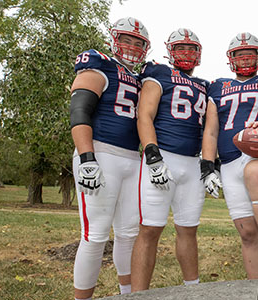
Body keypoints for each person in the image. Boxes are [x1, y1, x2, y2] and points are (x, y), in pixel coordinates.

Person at [201, 32, 258, 300]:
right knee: (248, 232)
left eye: (250, 54)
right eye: (240, 55)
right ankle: (257, 289)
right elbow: (211, 130)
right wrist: (208, 165)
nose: (245, 59)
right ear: (230, 60)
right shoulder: (217, 87)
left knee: (257, 171)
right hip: (229, 161)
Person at [69, 17, 150, 300]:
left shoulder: (140, 78)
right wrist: (87, 157)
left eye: (137, 42)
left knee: (128, 234)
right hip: (101, 153)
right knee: (95, 235)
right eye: (126, 39)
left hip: (132, 159)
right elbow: (79, 111)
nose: (131, 46)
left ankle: (127, 295)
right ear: (114, 39)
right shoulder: (99, 64)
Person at [131, 28, 209, 291]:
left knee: (188, 229)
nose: (186, 54)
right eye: (180, 49)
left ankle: (193, 289)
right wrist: (152, 154)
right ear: (170, 52)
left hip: (192, 162)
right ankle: (138, 295)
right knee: (150, 229)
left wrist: (211, 163)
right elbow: (145, 114)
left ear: (198, 54)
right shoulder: (159, 73)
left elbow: (209, 129)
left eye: (191, 49)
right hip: (163, 157)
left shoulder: (204, 86)